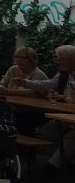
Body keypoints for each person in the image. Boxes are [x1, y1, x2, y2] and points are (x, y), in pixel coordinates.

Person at [15, 44, 75, 173]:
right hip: (64, 114)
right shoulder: (64, 74)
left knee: (69, 134)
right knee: (46, 130)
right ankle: (58, 163)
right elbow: (49, 85)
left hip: (69, 114)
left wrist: (66, 98)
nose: (57, 62)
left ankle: (52, 167)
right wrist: (26, 83)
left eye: (60, 59)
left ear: (71, 60)